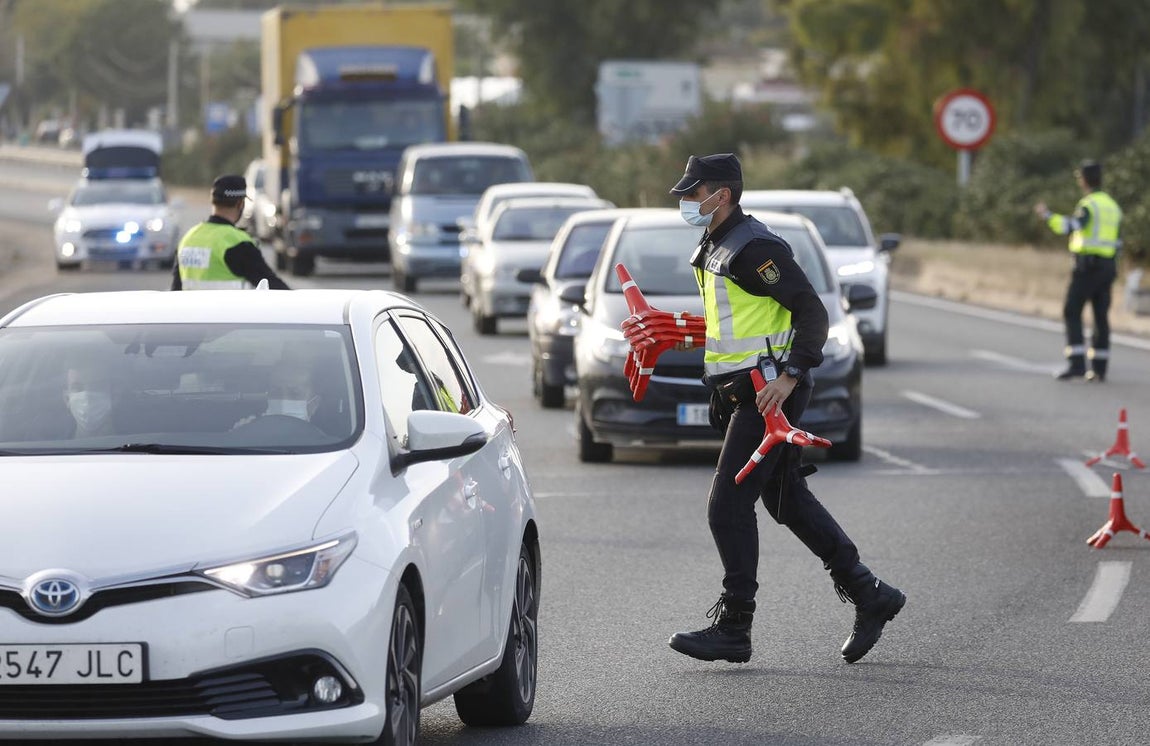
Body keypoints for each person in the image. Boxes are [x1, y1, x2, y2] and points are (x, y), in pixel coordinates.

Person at [662, 153, 905, 664]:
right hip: (744, 390)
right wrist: (689, 343)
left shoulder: (755, 248)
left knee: (727, 505)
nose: (687, 200)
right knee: (785, 501)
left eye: (694, 191)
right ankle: (870, 594)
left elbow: (812, 312)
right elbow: (737, 324)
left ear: (721, 194)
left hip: (770, 393)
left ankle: (734, 627)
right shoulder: (717, 243)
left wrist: (791, 374)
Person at [1034, 160, 1123, 382]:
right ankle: (1100, 368)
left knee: (1072, 311)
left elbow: (1069, 227)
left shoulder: (1089, 205)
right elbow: (1118, 241)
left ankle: (1077, 364)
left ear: (1083, 180)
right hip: (1108, 267)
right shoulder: (1113, 206)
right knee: (1101, 316)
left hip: (1088, 267)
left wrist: (1047, 216)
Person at [172, 174, 290, 291]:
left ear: (213, 201)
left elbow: (175, 291)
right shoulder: (238, 243)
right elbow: (273, 285)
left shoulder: (187, 239)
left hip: (191, 311)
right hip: (229, 310)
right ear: (240, 204)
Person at [64, 360, 117, 437]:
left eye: (96, 387)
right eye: (78, 388)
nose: (87, 397)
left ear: (115, 395)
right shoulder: (50, 447)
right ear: (66, 399)